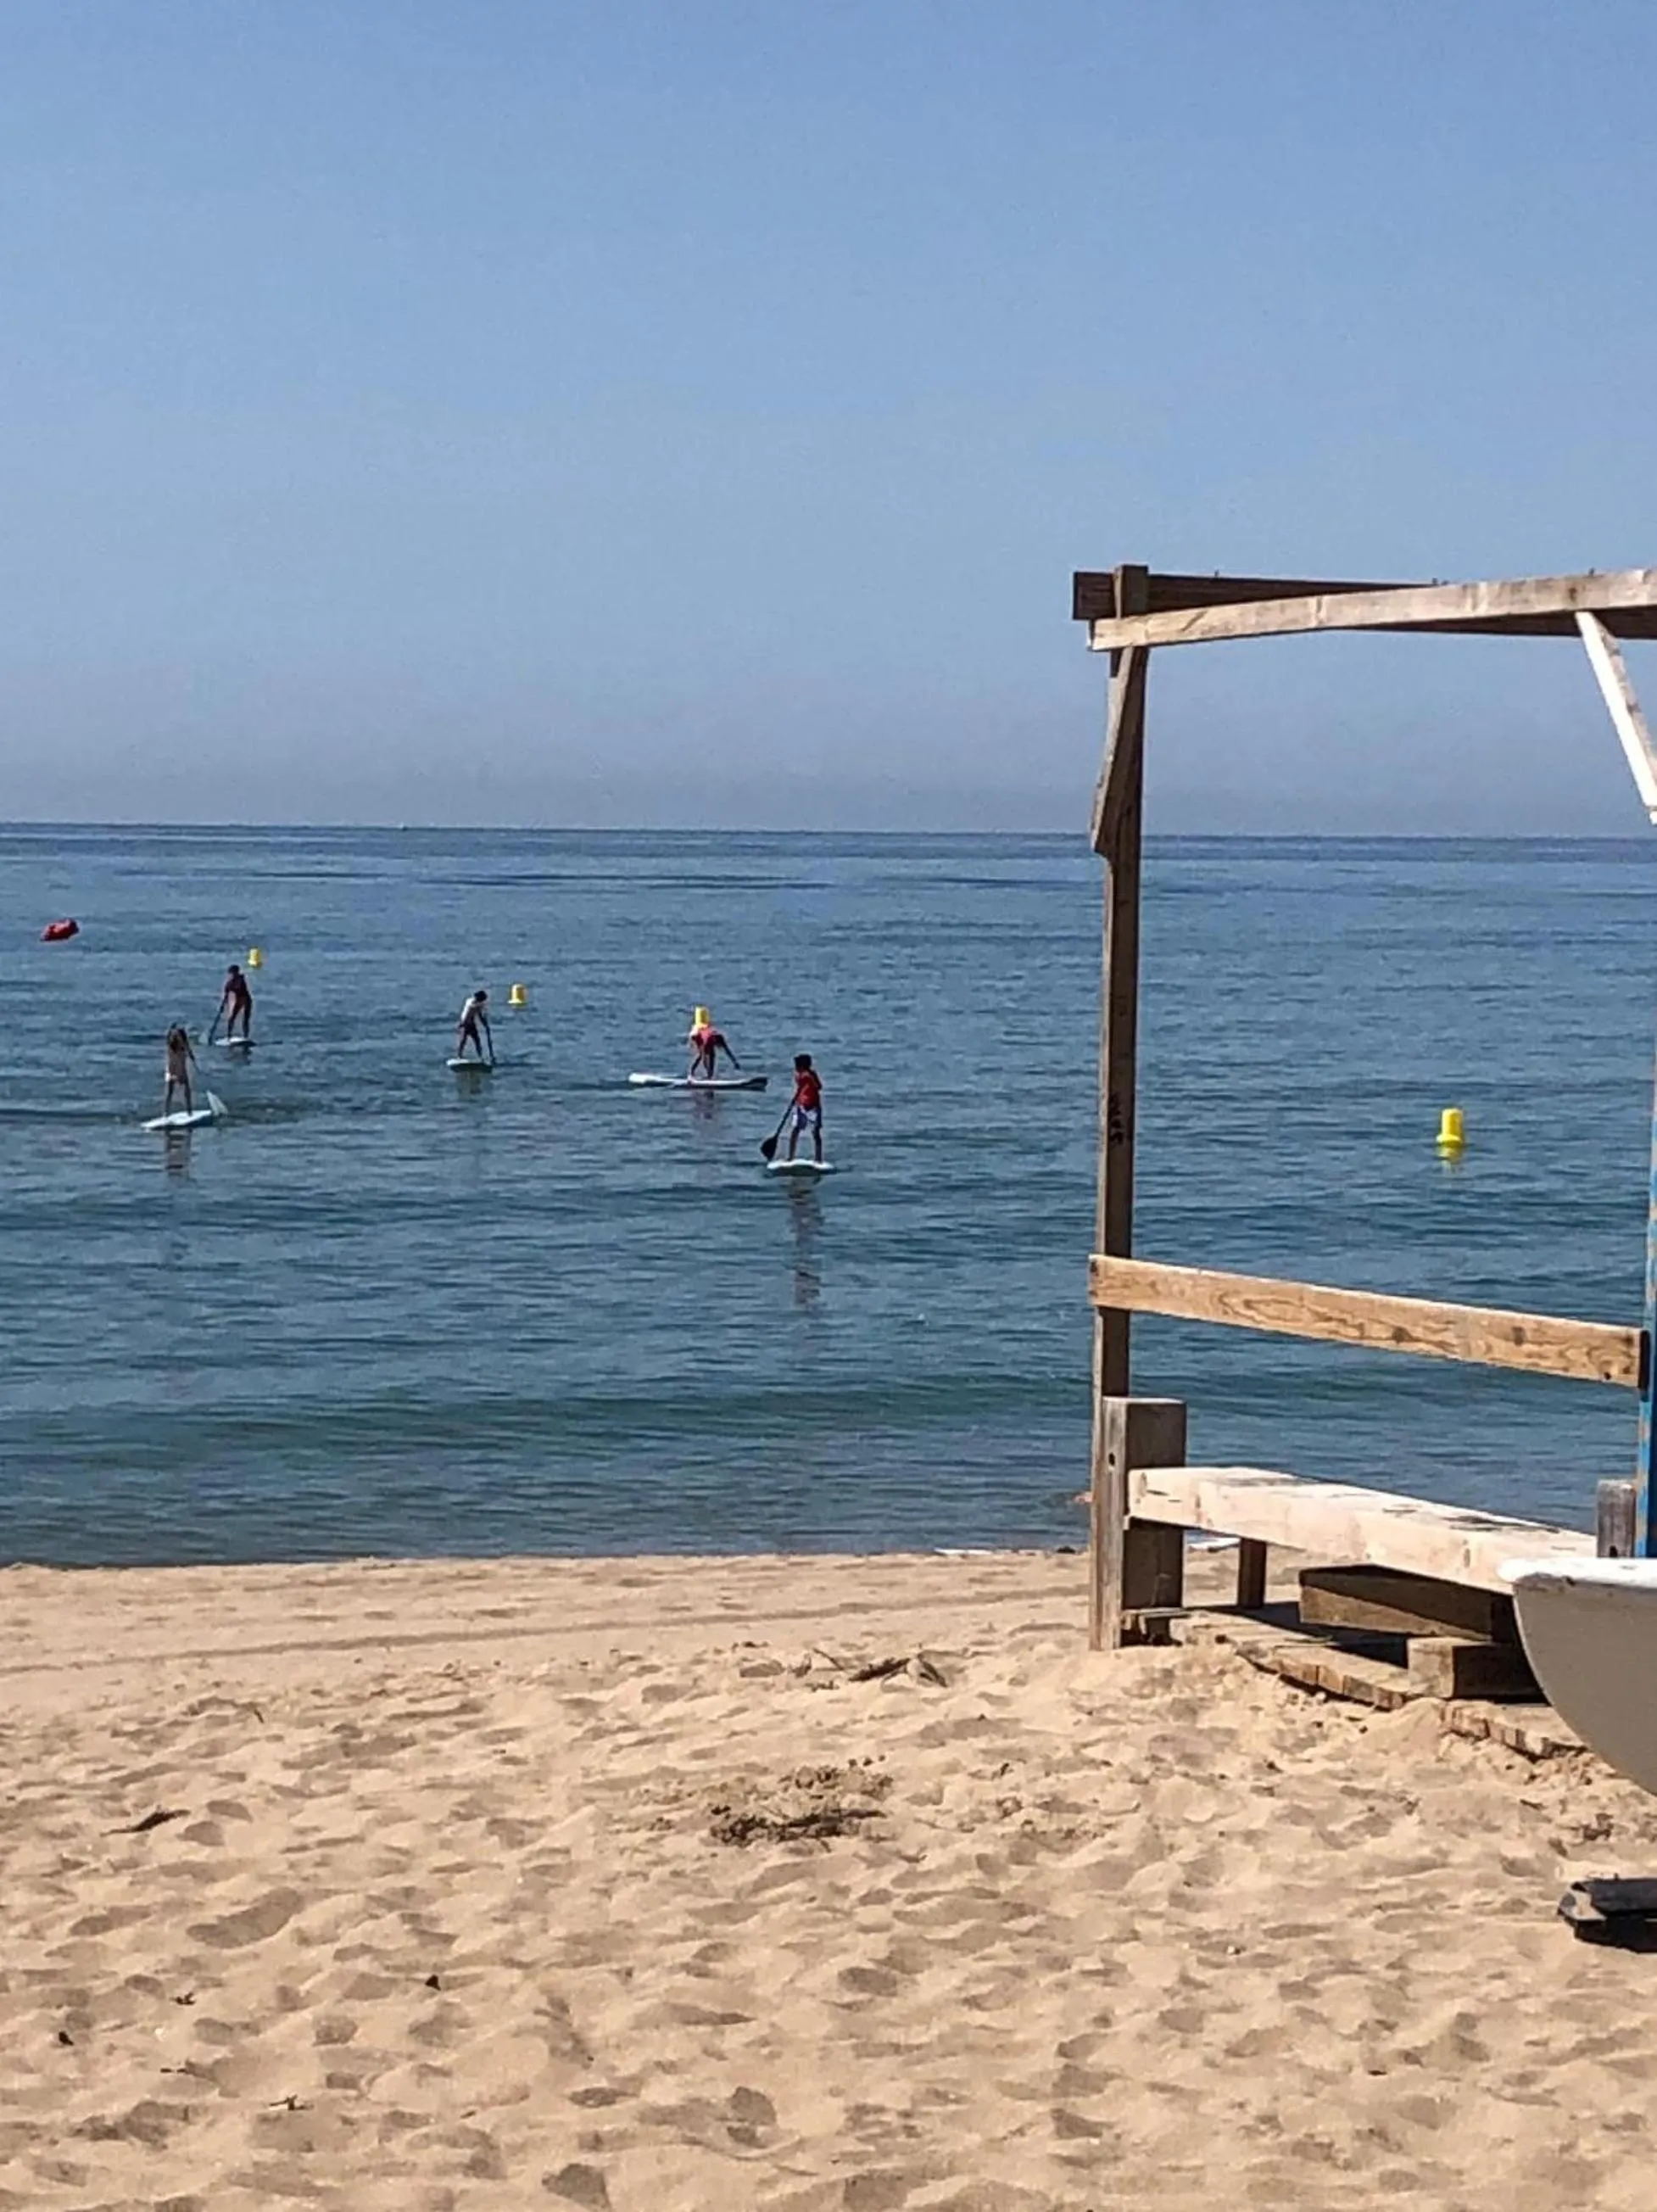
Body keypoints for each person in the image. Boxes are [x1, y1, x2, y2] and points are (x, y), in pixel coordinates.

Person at [786, 1051, 824, 1164]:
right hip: (800, 1106)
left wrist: (810, 1079)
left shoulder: (811, 1075)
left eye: (797, 1066)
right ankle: (791, 1156)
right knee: (795, 1130)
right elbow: (800, 1089)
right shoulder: (798, 1076)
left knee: (815, 1132)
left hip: (813, 1107)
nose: (795, 1069)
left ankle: (818, 1159)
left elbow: (818, 1087)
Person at [686, 1004, 741, 1081]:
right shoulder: (708, 1039)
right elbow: (704, 1056)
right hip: (698, 1036)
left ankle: (709, 1076)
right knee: (701, 1055)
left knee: (711, 1056)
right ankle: (692, 1074)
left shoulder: (719, 1039)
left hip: (705, 1036)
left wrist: (735, 1063)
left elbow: (728, 1052)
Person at [215, 962, 254, 1042]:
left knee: (246, 1020)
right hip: (238, 1000)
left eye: (234, 973)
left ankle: (246, 1036)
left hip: (246, 999)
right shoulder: (229, 983)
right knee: (231, 1018)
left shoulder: (241, 980)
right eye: (232, 973)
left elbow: (239, 986)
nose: (233, 975)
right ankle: (229, 1036)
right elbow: (226, 997)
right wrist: (222, 1006)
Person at [164, 1024, 197, 1116]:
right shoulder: (172, 1047)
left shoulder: (184, 1045)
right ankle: (166, 1112)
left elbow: (189, 1053)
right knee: (170, 1090)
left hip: (181, 1068)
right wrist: (175, 1075)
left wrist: (191, 1056)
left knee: (186, 1089)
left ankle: (189, 1111)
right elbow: (171, 1062)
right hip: (173, 1068)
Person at [455, 987, 494, 1063]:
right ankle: (459, 1056)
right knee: (463, 1040)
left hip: (471, 1024)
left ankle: (480, 1057)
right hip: (464, 1023)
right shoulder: (471, 1002)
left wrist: (485, 1025)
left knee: (477, 1041)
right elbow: (473, 1008)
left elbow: (480, 1015)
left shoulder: (478, 1005)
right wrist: (482, 1008)